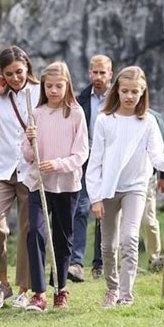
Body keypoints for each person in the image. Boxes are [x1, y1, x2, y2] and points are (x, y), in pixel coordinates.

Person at [86, 66, 164, 308]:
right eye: (125, 91)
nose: (129, 96)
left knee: (129, 239)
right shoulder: (104, 120)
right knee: (108, 246)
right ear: (117, 90)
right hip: (109, 189)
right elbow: (95, 161)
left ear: (143, 92)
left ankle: (126, 295)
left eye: (135, 92)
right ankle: (112, 288)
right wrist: (95, 198)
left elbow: (157, 156)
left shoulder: (148, 121)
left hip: (136, 187)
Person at [23, 61, 89, 311]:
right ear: (43, 86)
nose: (53, 90)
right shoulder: (37, 113)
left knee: (63, 237)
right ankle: (38, 293)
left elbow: (81, 154)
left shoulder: (75, 113)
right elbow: (28, 155)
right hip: (39, 184)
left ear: (67, 85)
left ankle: (61, 288)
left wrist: (58, 164)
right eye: (49, 86)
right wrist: (30, 141)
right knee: (36, 234)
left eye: (58, 86)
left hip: (67, 185)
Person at [0, 46, 39, 310]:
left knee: (28, 230)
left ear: (27, 67)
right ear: (2, 74)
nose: (16, 78)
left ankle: (23, 289)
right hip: (2, 169)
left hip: (30, 172)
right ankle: (3, 284)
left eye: (19, 72)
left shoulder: (40, 93)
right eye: (9, 74)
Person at [68, 55, 113, 283]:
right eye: (94, 72)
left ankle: (101, 263)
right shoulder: (81, 99)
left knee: (105, 212)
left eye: (102, 73)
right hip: (86, 161)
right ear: (89, 73)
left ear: (110, 74)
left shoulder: (118, 98)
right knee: (82, 208)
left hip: (111, 162)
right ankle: (76, 262)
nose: (97, 77)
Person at [141, 109, 164, 265]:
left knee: (147, 220)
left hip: (147, 178)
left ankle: (155, 260)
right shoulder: (114, 114)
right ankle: (119, 263)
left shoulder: (154, 117)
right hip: (120, 180)